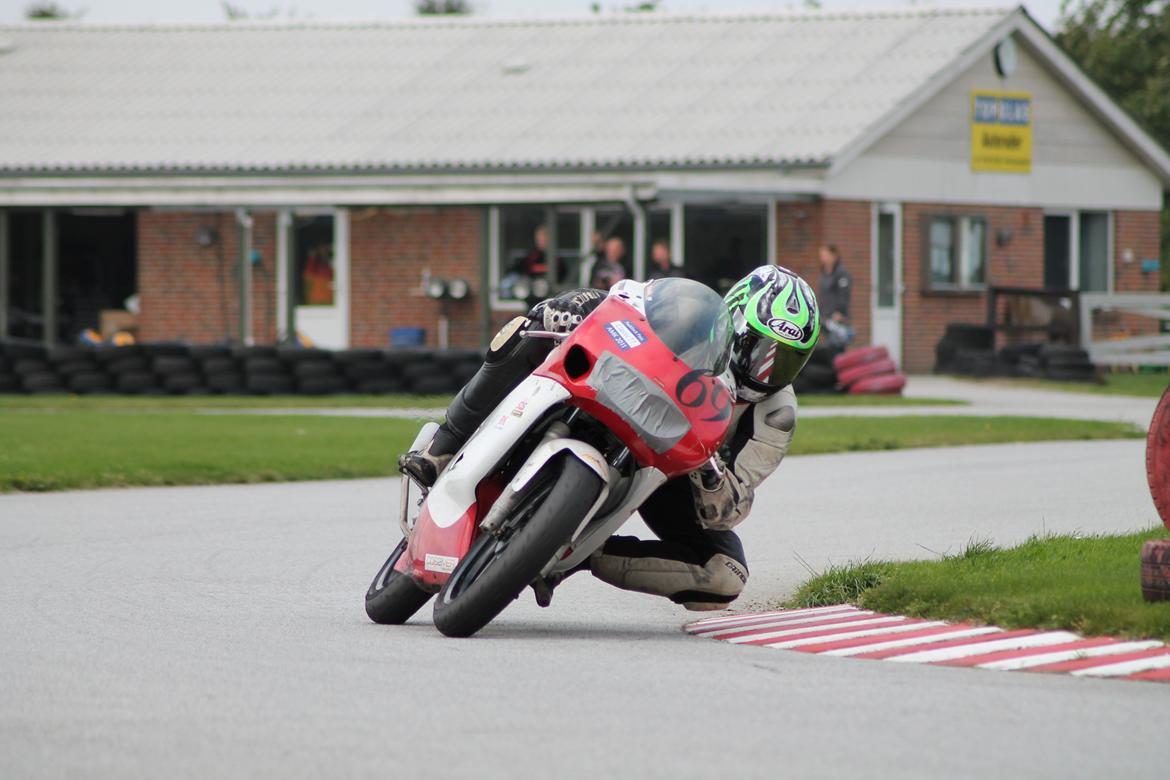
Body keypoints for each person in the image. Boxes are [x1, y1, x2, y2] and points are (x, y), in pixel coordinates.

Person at [399, 266, 820, 612]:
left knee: (726, 575)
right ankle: (444, 447)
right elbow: (629, 298)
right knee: (527, 330)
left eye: (784, 362)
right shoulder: (694, 312)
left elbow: (731, 507)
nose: (765, 371)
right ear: (735, 319)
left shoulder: (775, 414)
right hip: (617, 385)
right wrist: (577, 304)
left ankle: (575, 553)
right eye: (759, 349)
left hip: (672, 470)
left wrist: (711, 475)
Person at [816, 244, 853, 346]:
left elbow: (844, 295)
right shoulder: (824, 273)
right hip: (825, 316)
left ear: (834, 255)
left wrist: (840, 312)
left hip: (836, 317)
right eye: (821, 256)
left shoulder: (841, 273)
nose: (823, 258)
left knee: (836, 346)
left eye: (825, 255)